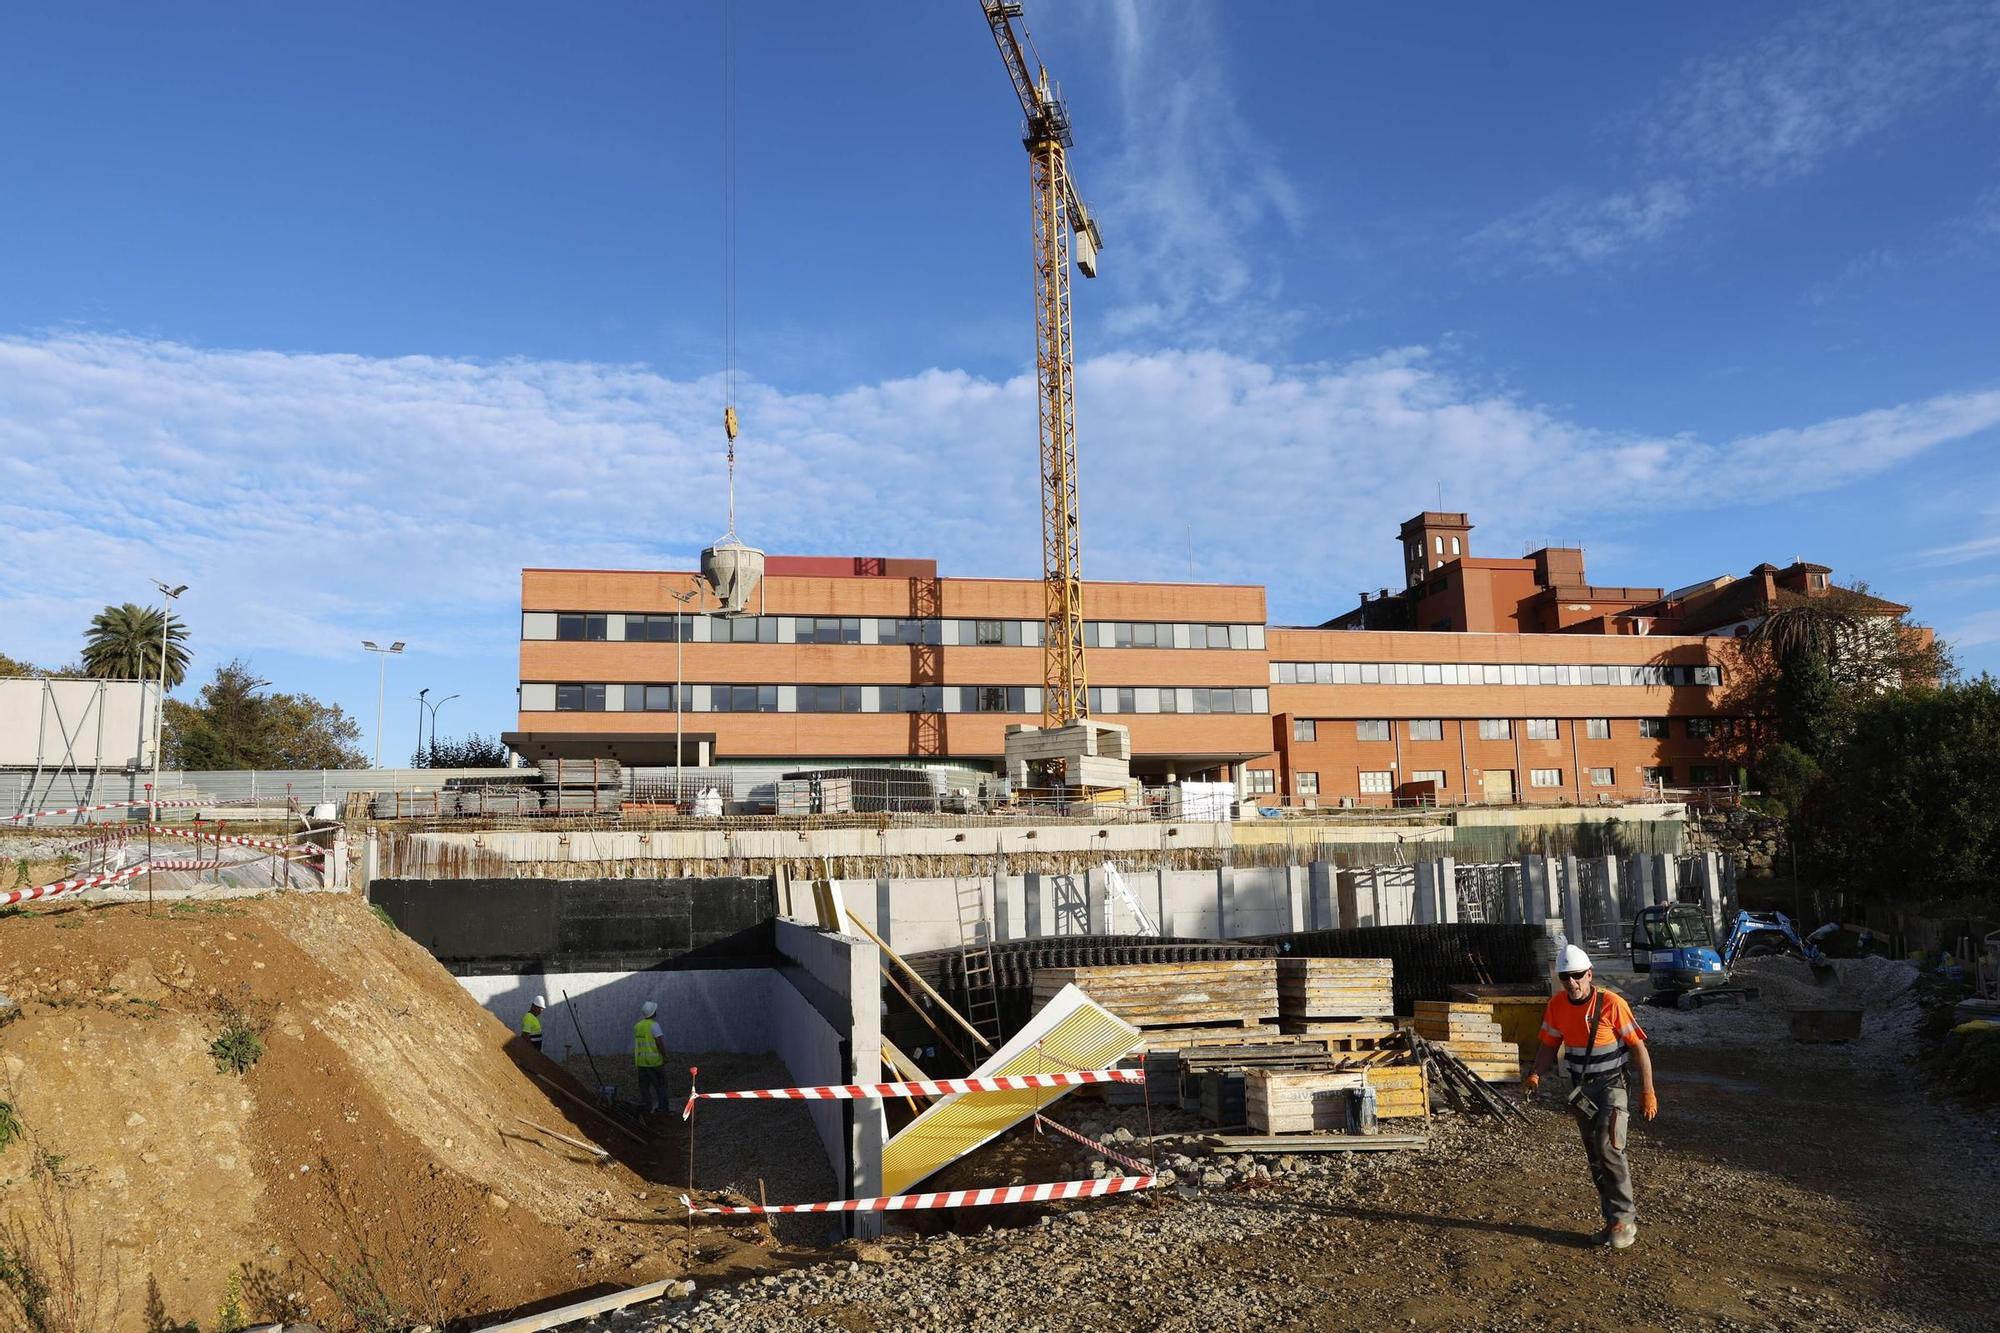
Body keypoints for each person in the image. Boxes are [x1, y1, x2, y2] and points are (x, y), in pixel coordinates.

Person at [1521, 945, 1658, 1249]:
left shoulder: (1612, 1004)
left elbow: (1638, 1047)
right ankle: (1611, 1221)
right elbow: (1549, 1044)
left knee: (1609, 1146)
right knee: (1596, 1156)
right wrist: (1536, 1074)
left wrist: (1648, 1091)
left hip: (1612, 1085)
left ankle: (1624, 1219)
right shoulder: (1557, 1006)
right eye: (1565, 977)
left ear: (1590, 974)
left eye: (1577, 975)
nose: (1572, 982)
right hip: (1582, 1089)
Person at [633, 1000, 667, 1115]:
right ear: (653, 1013)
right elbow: (659, 1042)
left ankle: (647, 1107)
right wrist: (665, 1056)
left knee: (644, 1087)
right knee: (660, 1086)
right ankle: (663, 1108)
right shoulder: (654, 1025)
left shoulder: (637, 1026)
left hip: (641, 1062)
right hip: (654, 1062)